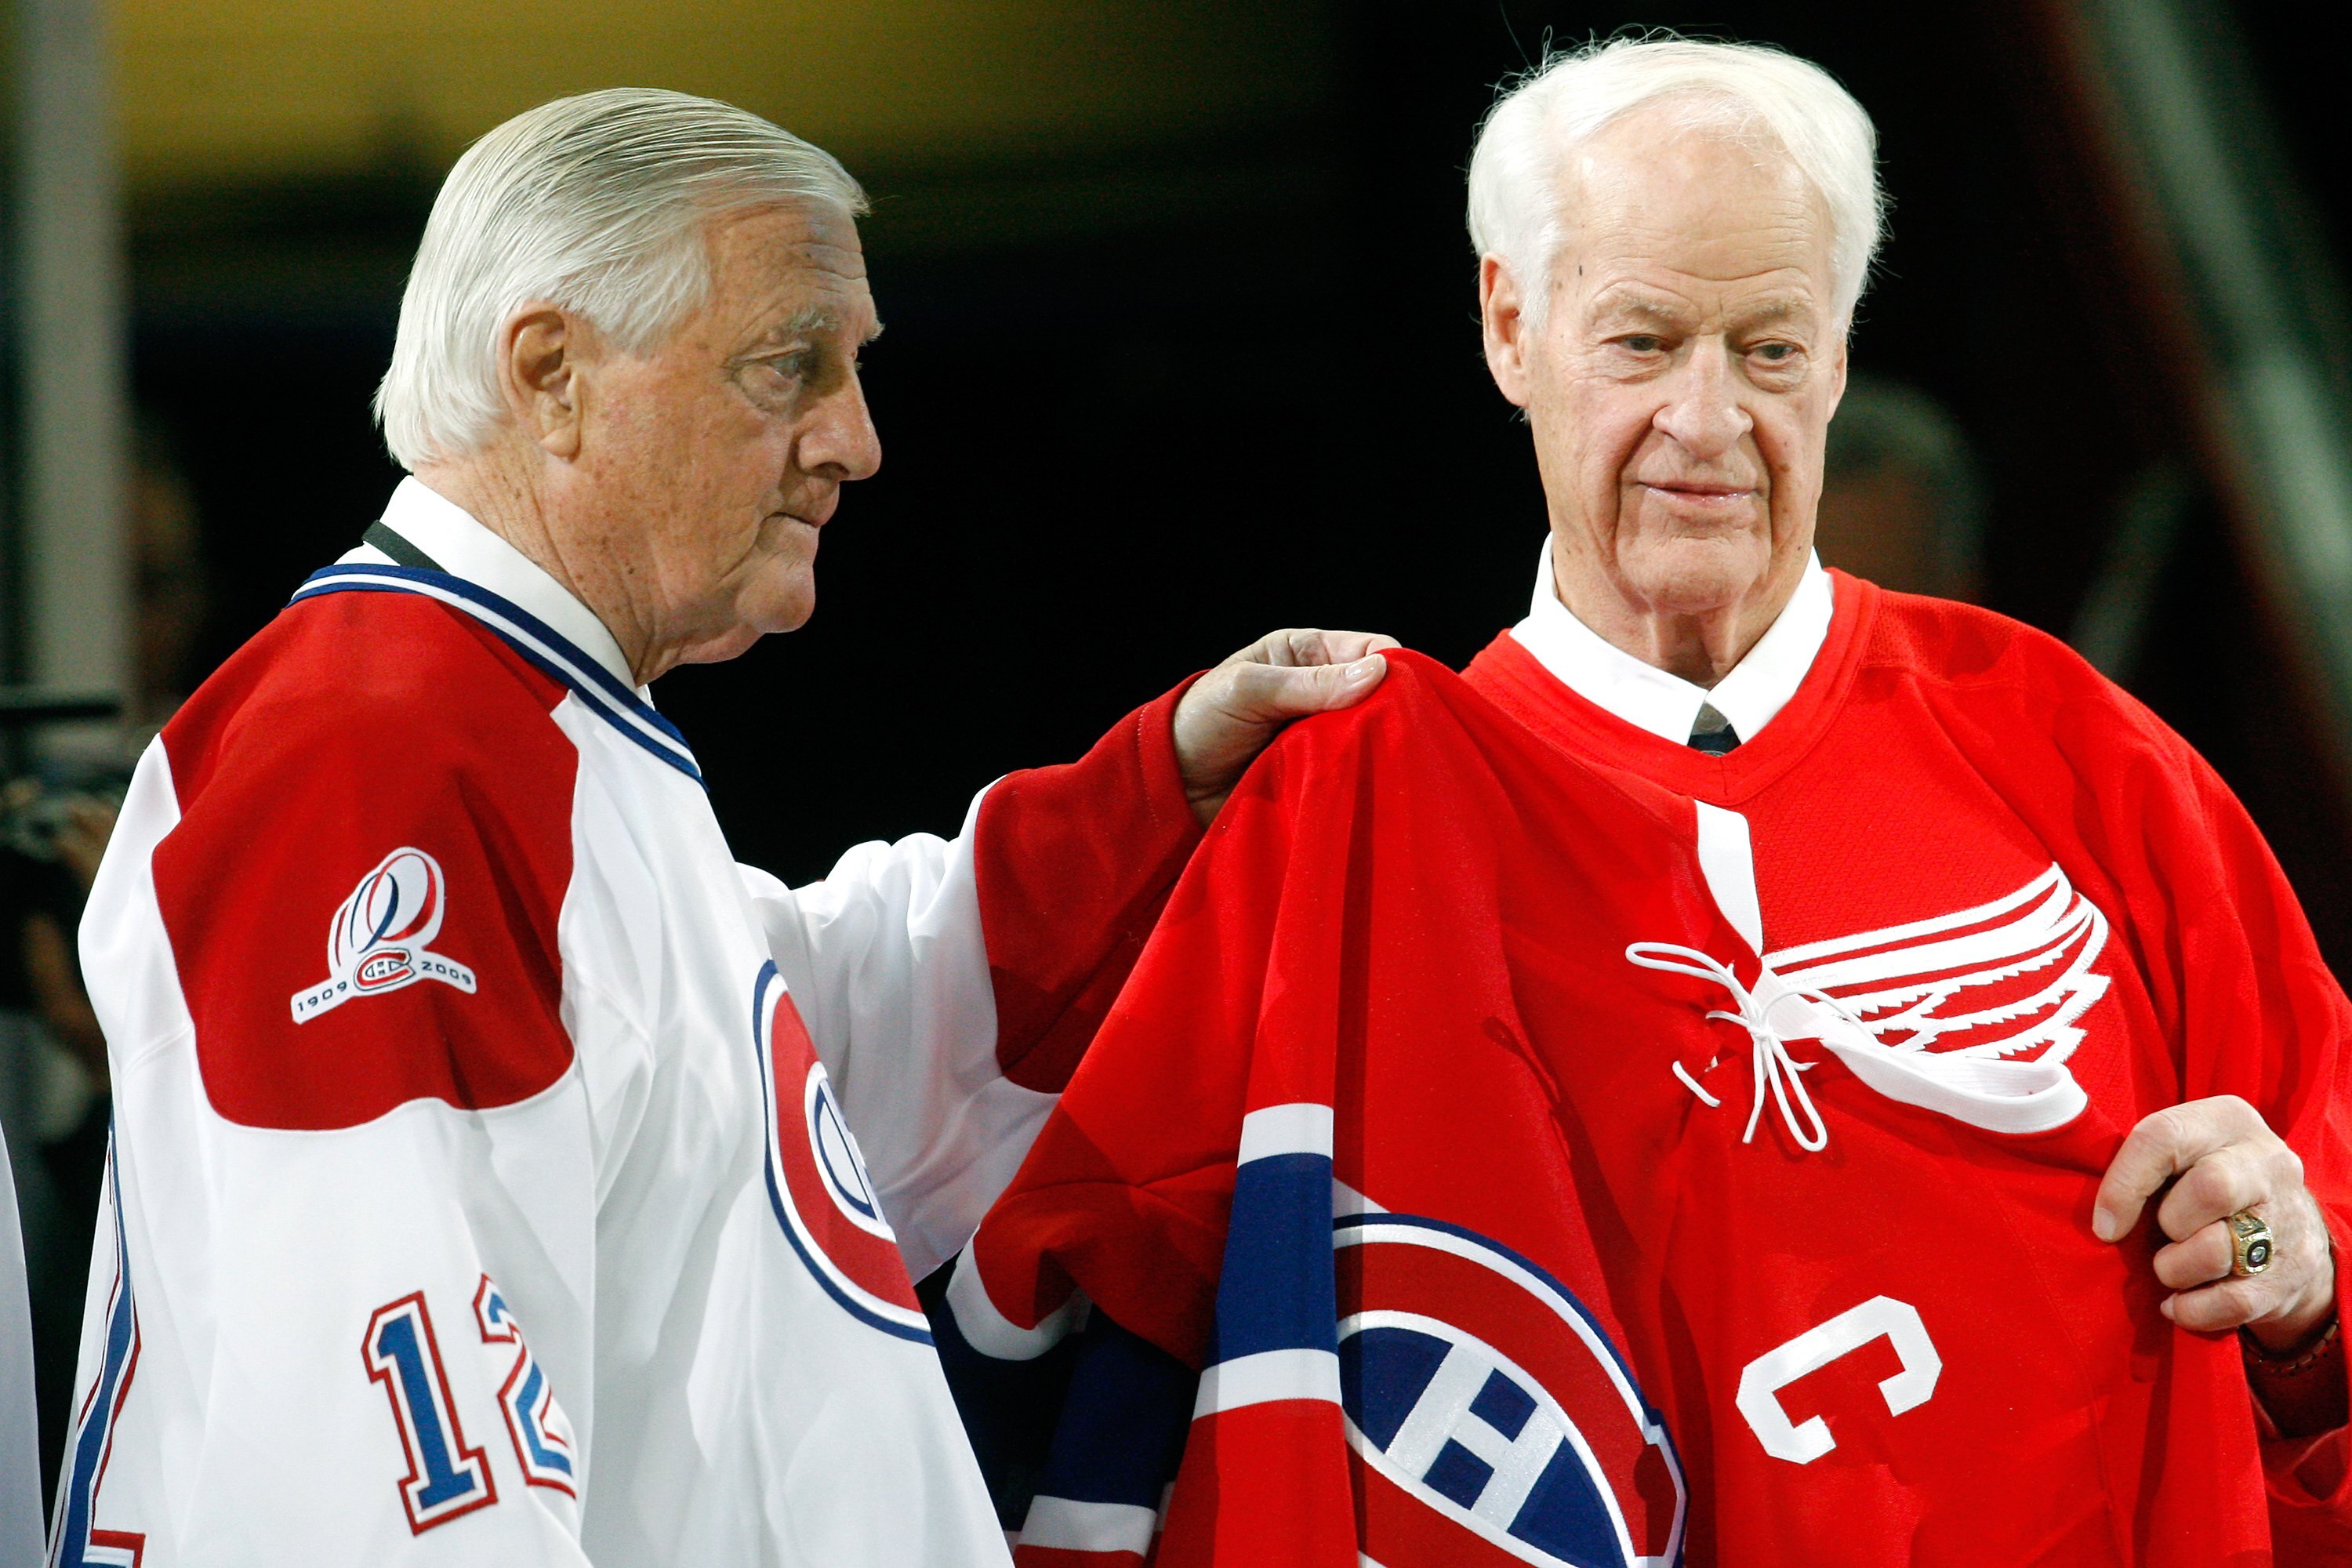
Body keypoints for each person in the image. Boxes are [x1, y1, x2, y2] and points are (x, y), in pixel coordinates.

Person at [942, 38, 2352, 1566]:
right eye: (1642, 341)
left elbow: (2317, 1272)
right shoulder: (1358, 834)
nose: (1707, 421)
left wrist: (2297, 1284)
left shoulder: (2083, 755)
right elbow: (1067, 1344)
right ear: (1509, 327)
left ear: (1842, 352)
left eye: (1770, 349)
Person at [51, 90, 1393, 1566]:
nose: (860, 443)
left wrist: (1158, 804)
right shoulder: (378, 754)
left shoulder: (516, 724)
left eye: (854, 370)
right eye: (788, 366)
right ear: (553, 371)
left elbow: (785, 1084)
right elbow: (384, 1460)